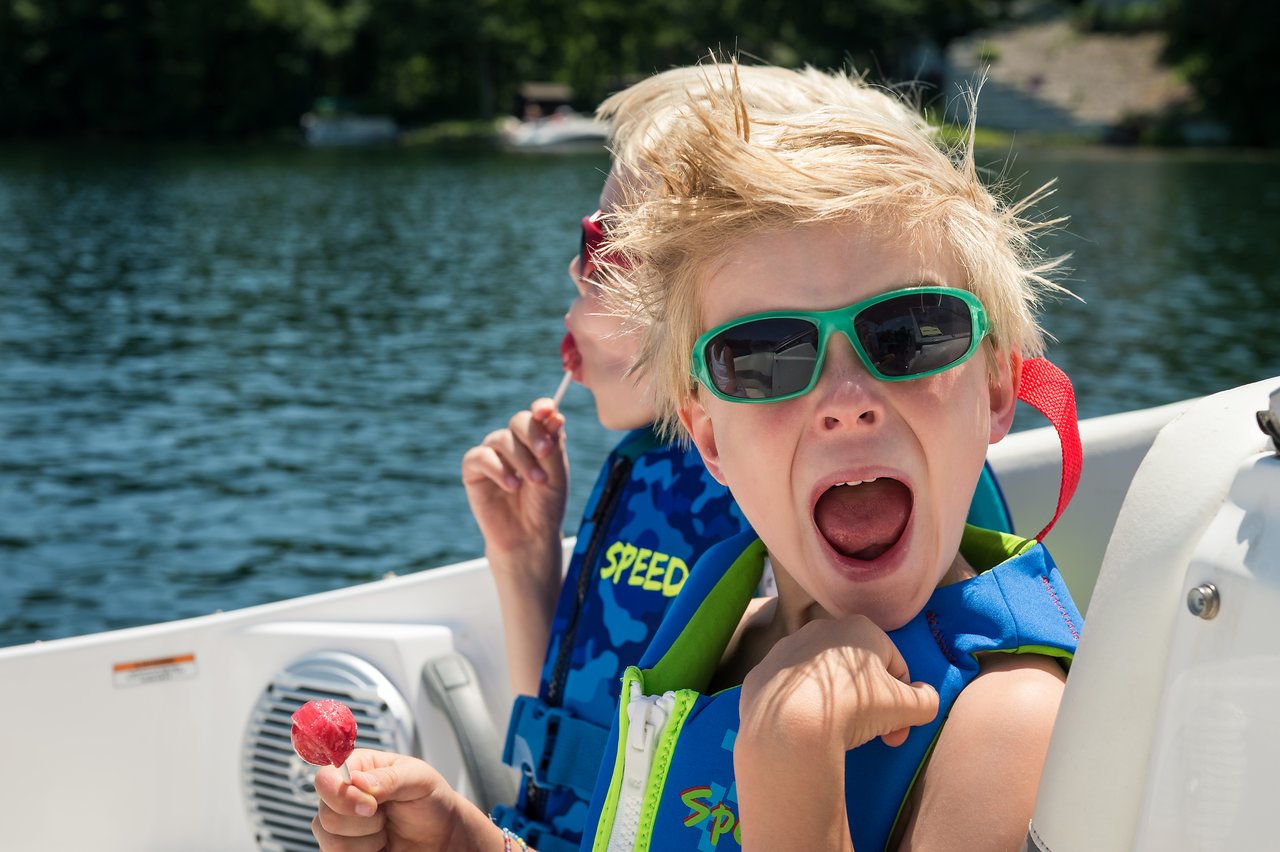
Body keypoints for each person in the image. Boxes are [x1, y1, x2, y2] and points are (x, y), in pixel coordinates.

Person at [310, 64, 1063, 852]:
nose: (846, 396)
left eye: (909, 334)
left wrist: (791, 762)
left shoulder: (1005, 718)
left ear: (997, 387)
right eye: (764, 357)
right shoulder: (724, 635)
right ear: (706, 436)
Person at [462, 63, 918, 852]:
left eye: (603, 251)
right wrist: (524, 558)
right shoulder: (651, 464)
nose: (576, 271)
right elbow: (580, 745)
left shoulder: (786, 492)